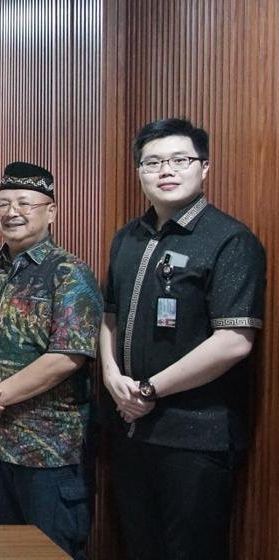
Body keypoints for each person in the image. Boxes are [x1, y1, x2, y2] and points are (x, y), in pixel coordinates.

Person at [101, 118, 265, 560]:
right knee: (139, 548)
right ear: (140, 171)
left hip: (196, 436)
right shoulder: (128, 237)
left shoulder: (229, 239)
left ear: (204, 167)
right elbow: (110, 315)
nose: (166, 170)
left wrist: (150, 390)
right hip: (130, 428)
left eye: (180, 160)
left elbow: (234, 341)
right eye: (153, 162)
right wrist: (112, 375)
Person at [0, 161, 101, 558]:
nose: (12, 211)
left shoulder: (70, 273)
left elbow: (68, 355)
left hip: (47, 451)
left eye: (24, 203)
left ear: (51, 212)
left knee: (51, 552)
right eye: (3, 203)